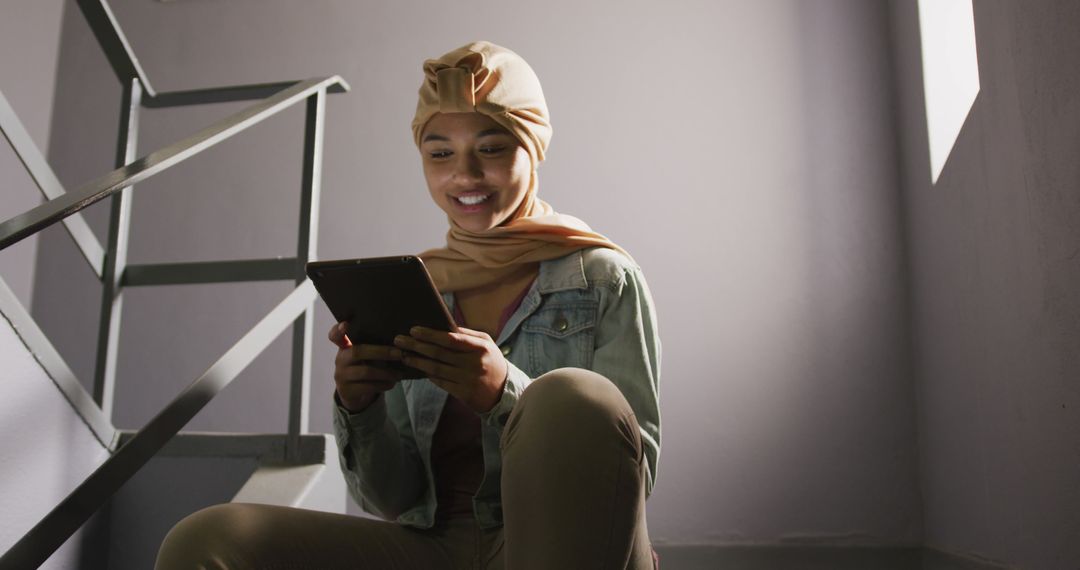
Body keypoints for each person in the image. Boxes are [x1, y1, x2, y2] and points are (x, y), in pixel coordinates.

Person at [155, 40, 661, 570]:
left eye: (491, 148)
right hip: (436, 547)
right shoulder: (420, 288)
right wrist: (360, 407)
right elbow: (392, 500)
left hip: (555, 547)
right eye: (440, 153)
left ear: (531, 149)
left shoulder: (603, 278)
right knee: (206, 540)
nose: (464, 176)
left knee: (572, 397)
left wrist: (503, 395)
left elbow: (632, 475)